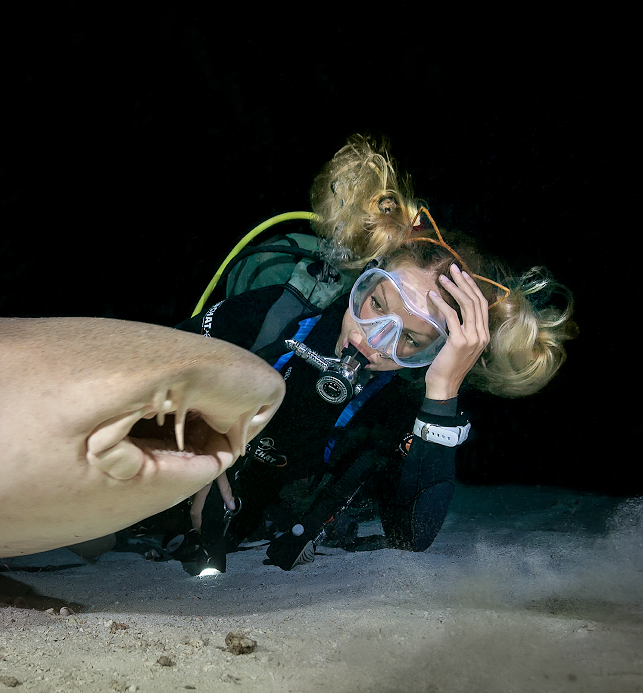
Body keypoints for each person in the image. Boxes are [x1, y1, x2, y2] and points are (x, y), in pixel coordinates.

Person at [143, 136, 577, 572]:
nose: (373, 340)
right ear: (362, 283)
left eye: (410, 340)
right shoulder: (279, 314)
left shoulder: (405, 404)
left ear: (436, 352)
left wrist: (443, 390)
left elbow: (413, 534)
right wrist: (199, 445)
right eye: (377, 305)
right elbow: (141, 369)